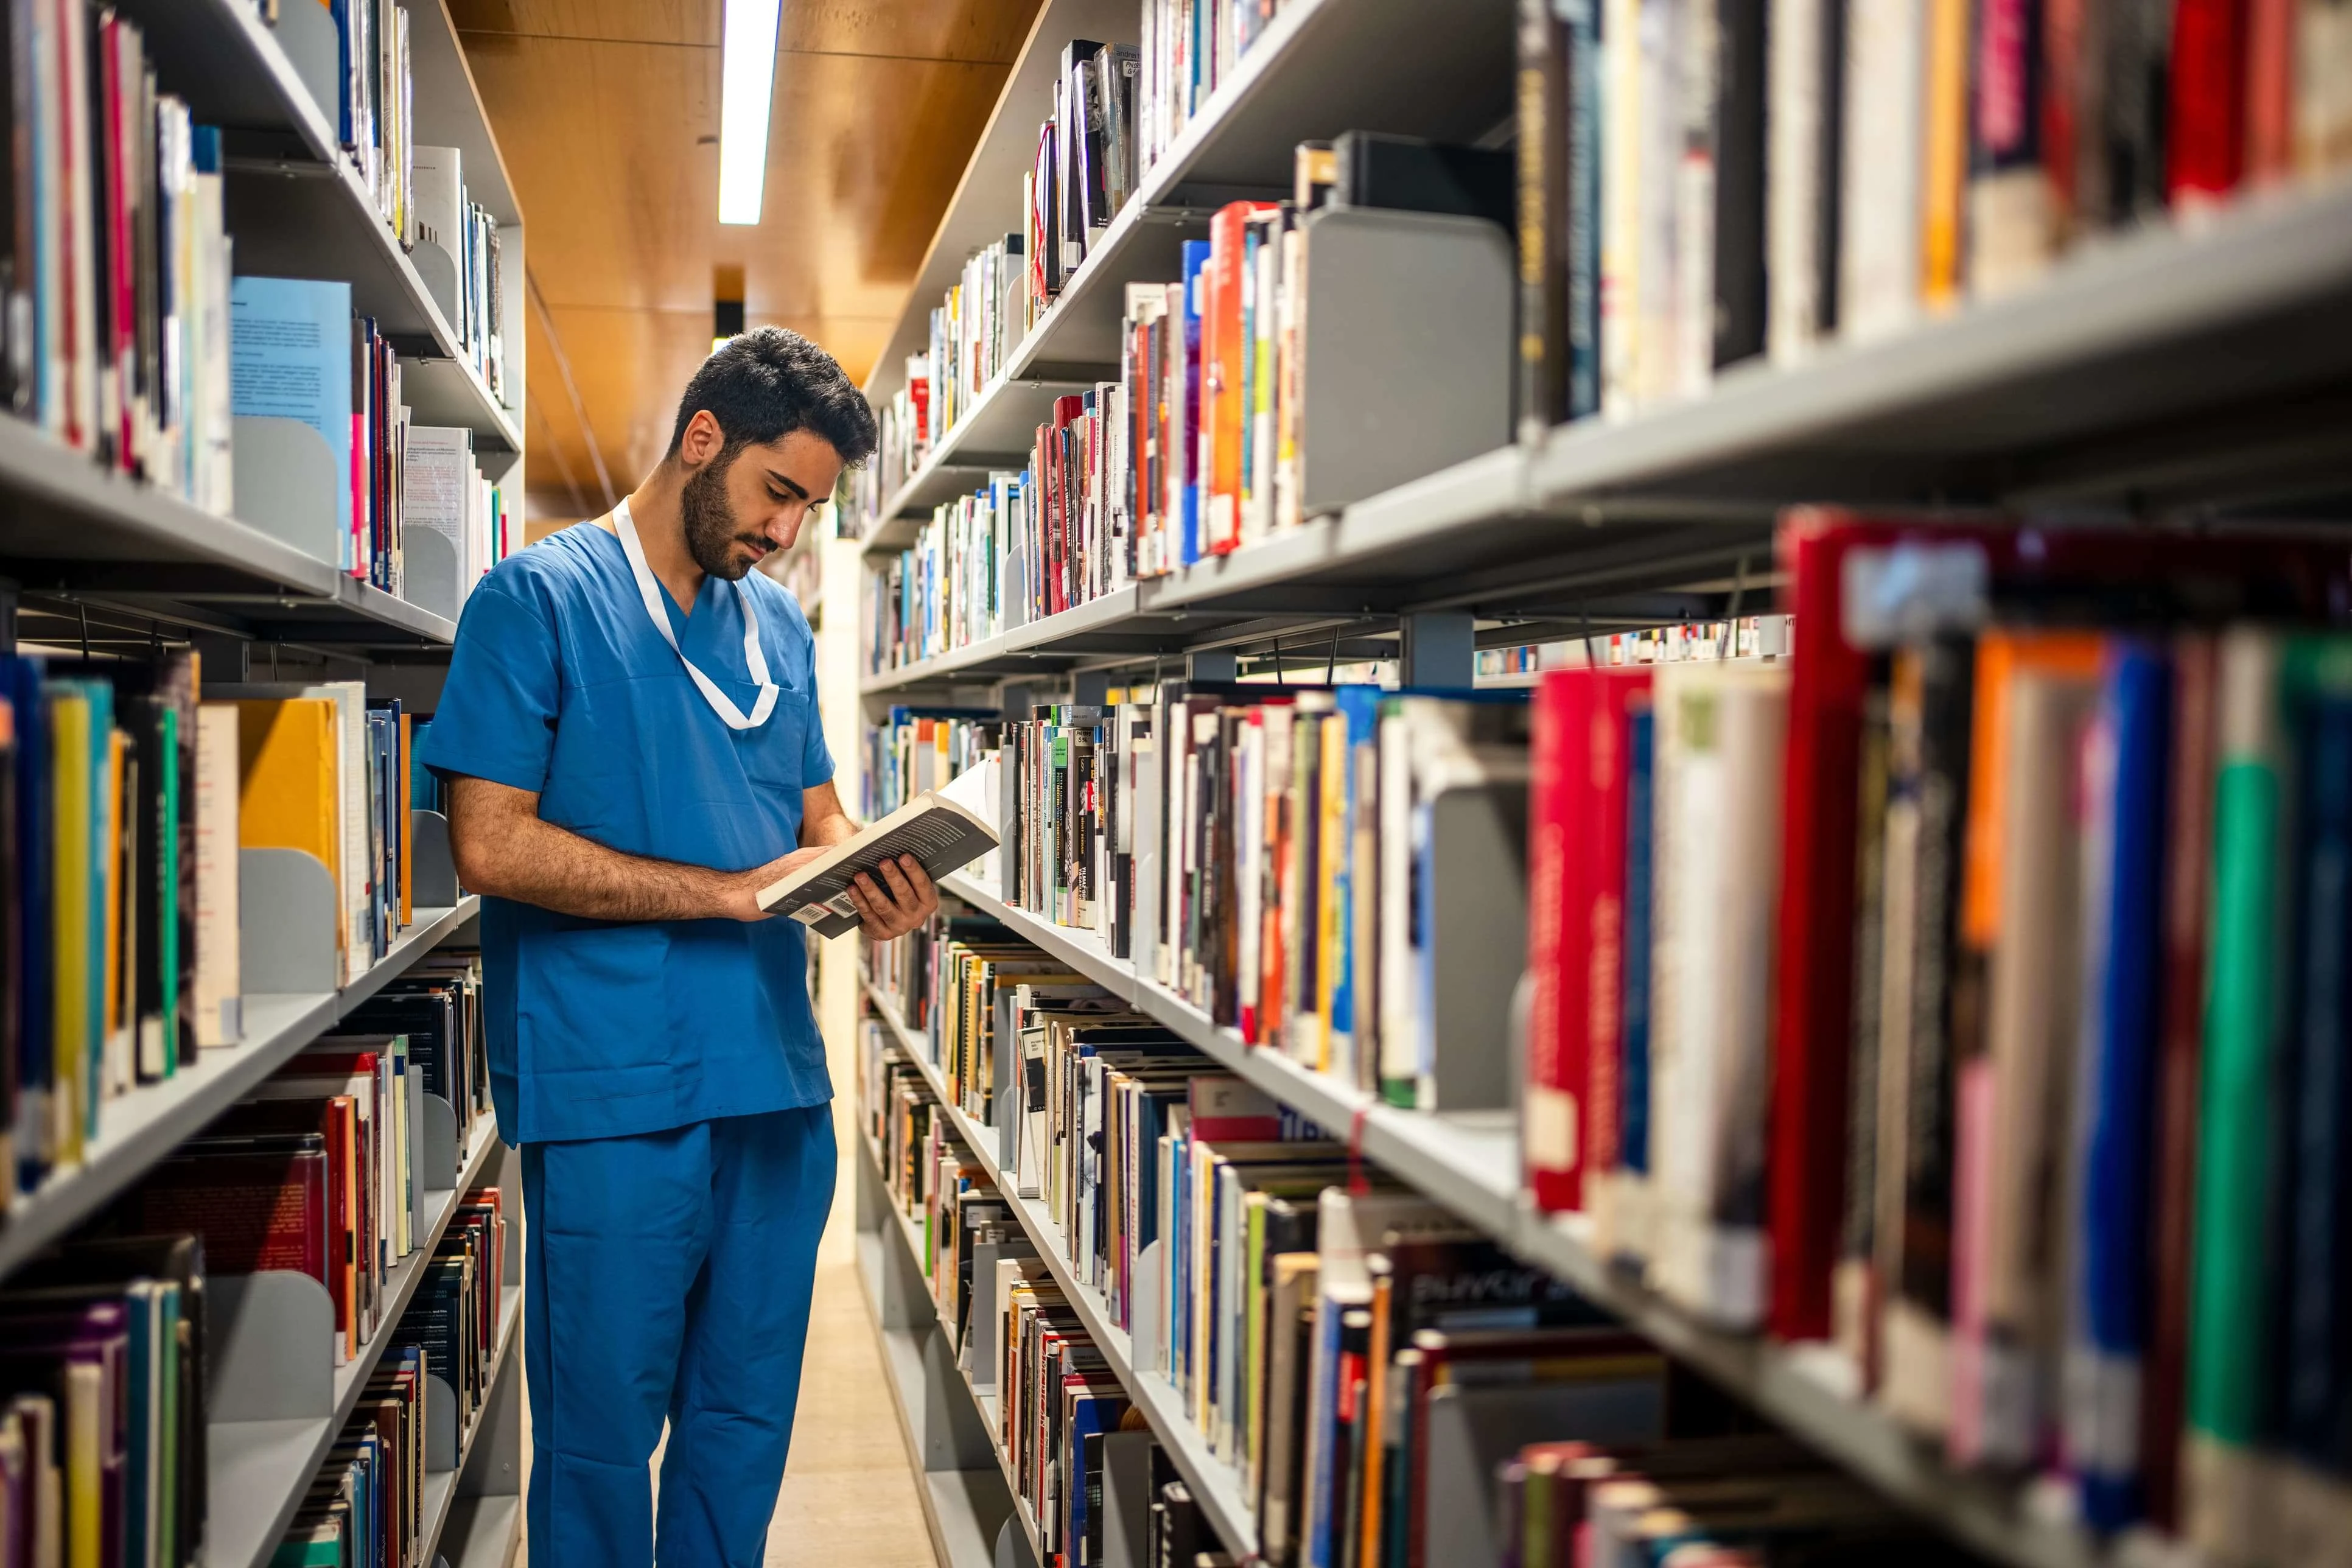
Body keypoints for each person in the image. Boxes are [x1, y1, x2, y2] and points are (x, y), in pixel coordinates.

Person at [421, 327, 936, 1567]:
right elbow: (490, 845)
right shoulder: (535, 601)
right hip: (617, 1093)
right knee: (602, 1438)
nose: (786, 535)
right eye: (777, 494)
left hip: (774, 1086)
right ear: (704, 439)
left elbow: (818, 818)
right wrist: (724, 895)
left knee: (742, 1426)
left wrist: (881, 870)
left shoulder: (781, 634)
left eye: (810, 509)